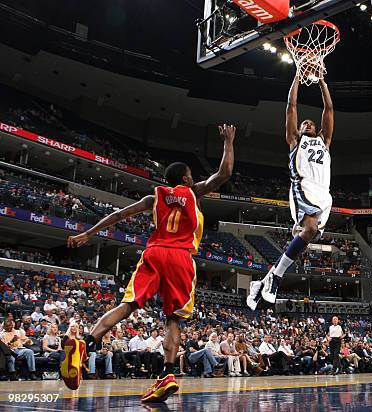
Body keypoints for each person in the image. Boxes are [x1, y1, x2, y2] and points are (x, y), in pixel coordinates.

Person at [63, 125, 235, 402]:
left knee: (127, 304)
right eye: (191, 174)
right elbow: (224, 174)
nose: (193, 178)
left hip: (154, 253)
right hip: (180, 258)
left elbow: (119, 215)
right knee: (173, 319)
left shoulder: (154, 197)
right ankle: (167, 374)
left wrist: (88, 233)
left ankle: (86, 343)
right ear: (185, 178)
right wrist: (228, 142)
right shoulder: (194, 193)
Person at [247, 74, 334, 309]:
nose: (307, 124)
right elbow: (291, 106)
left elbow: (328, 109)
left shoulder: (324, 140)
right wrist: (296, 78)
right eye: (304, 123)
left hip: (324, 194)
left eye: (311, 124)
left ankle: (262, 282)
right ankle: (276, 276)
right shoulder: (295, 140)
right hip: (303, 186)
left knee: (308, 236)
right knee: (310, 229)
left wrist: (322, 84)